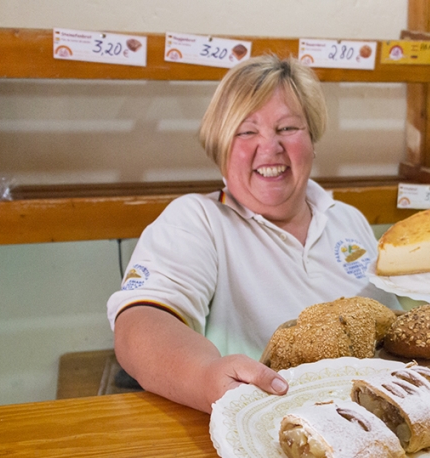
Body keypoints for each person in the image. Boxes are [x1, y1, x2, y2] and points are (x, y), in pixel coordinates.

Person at [107, 55, 400, 413]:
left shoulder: (348, 220)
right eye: (247, 131)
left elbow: (391, 328)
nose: (270, 147)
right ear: (220, 148)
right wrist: (205, 377)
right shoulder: (197, 220)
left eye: (287, 128)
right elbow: (141, 324)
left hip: (370, 423)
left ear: (312, 139)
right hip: (259, 426)